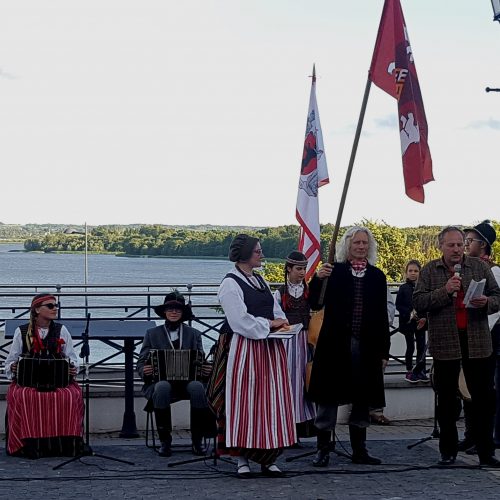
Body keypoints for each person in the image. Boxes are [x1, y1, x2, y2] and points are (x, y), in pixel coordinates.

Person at [207, 234, 296, 478]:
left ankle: (269, 460)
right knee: (244, 404)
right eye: (257, 251)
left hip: (269, 350)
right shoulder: (230, 283)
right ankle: (242, 460)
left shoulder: (260, 280)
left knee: (270, 404)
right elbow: (239, 321)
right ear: (245, 255)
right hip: (244, 349)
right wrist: (270, 324)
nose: (261, 254)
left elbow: (274, 308)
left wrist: (282, 323)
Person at [413, 225, 500, 466]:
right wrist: (444, 291)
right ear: (440, 246)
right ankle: (447, 451)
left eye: (460, 245)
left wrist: (486, 303)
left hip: (478, 342)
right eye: (451, 245)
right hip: (445, 343)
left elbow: (498, 296)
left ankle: (486, 452)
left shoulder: (480, 266)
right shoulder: (431, 270)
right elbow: (419, 302)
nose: (456, 250)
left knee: (484, 400)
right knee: (447, 402)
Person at [308, 226, 390, 466]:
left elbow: (382, 317)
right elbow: (315, 301)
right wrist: (318, 279)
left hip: (367, 347)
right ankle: (323, 448)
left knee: (362, 398)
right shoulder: (334, 272)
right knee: (328, 398)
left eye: (365, 243)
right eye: (357, 243)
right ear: (348, 245)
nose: (361, 247)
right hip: (335, 344)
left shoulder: (377, 276)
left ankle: (359, 450)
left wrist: (383, 350)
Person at [4, 293, 83, 458]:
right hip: (28, 383)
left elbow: (72, 358)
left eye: (56, 305)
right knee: (25, 396)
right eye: (50, 306)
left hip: (58, 382)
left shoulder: (62, 330)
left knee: (71, 394)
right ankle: (28, 445)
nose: (55, 309)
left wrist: (73, 368)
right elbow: (10, 361)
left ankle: (65, 445)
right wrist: (14, 367)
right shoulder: (23, 331)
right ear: (37, 310)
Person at [137, 291, 213, 457]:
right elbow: (141, 362)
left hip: (187, 382)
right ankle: (165, 441)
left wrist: (207, 370)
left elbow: (201, 360)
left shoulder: (194, 334)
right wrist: (144, 370)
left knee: (197, 387)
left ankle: (197, 441)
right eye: (170, 309)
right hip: (160, 382)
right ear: (164, 312)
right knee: (162, 387)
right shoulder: (152, 333)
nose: (173, 312)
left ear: (183, 313)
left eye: (177, 310)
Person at [458, 221, 500, 452]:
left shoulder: (493, 270)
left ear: (482, 245)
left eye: (469, 241)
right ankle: (470, 433)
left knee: (483, 388)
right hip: (467, 335)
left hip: (487, 336)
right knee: (466, 387)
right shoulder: (465, 267)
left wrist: (483, 329)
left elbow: (497, 306)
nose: (466, 245)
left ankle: (484, 435)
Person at [274, 251, 316, 437]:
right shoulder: (280, 293)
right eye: (299, 269)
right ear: (289, 269)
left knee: (304, 380)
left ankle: (304, 425)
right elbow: (274, 316)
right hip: (287, 340)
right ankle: (286, 426)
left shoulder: (309, 291)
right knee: (289, 381)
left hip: (306, 340)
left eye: (304, 269)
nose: (302, 272)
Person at [396, 260, 428, 383]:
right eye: (410, 271)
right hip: (408, 323)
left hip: (421, 322)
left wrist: (423, 316)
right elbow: (398, 305)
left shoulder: (424, 288)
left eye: (416, 271)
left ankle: (421, 370)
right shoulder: (403, 288)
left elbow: (426, 303)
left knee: (421, 347)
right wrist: (409, 313)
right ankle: (409, 370)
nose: (413, 273)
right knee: (410, 347)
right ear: (406, 273)